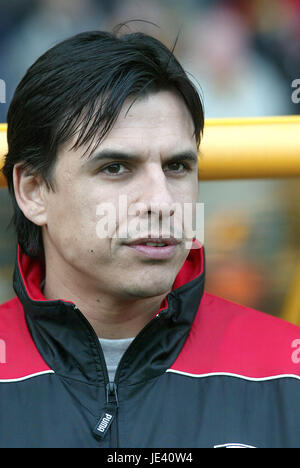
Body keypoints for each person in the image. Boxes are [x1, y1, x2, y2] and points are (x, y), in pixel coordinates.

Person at [0, 29, 300, 449]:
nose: (162, 201)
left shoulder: (286, 371)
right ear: (32, 191)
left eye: (177, 166)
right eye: (116, 168)